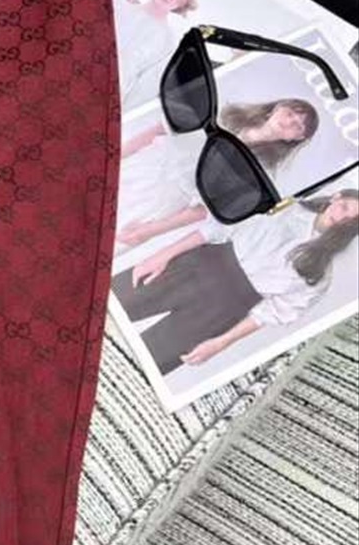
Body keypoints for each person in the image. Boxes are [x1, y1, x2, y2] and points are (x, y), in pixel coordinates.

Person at [111, 187, 359, 375]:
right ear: (336, 197)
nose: (341, 218)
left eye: (351, 220)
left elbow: (271, 313)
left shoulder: (320, 273)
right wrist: (162, 255)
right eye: (345, 207)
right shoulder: (283, 204)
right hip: (196, 266)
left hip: (222, 310)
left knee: (148, 361)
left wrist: (221, 343)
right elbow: (218, 227)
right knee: (113, 300)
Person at [116, 98, 319, 248]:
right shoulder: (225, 115)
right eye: (290, 113)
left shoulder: (262, 173)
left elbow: (205, 210)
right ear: (278, 107)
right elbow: (161, 129)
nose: (289, 122)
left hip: (160, 202)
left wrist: (149, 231)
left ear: (296, 138)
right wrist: (118, 154)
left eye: (298, 126)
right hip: (143, 164)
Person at [114, 0, 199, 112]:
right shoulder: (118, 5)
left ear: (184, 2)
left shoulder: (169, 42)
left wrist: (120, 113)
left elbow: (144, 89)